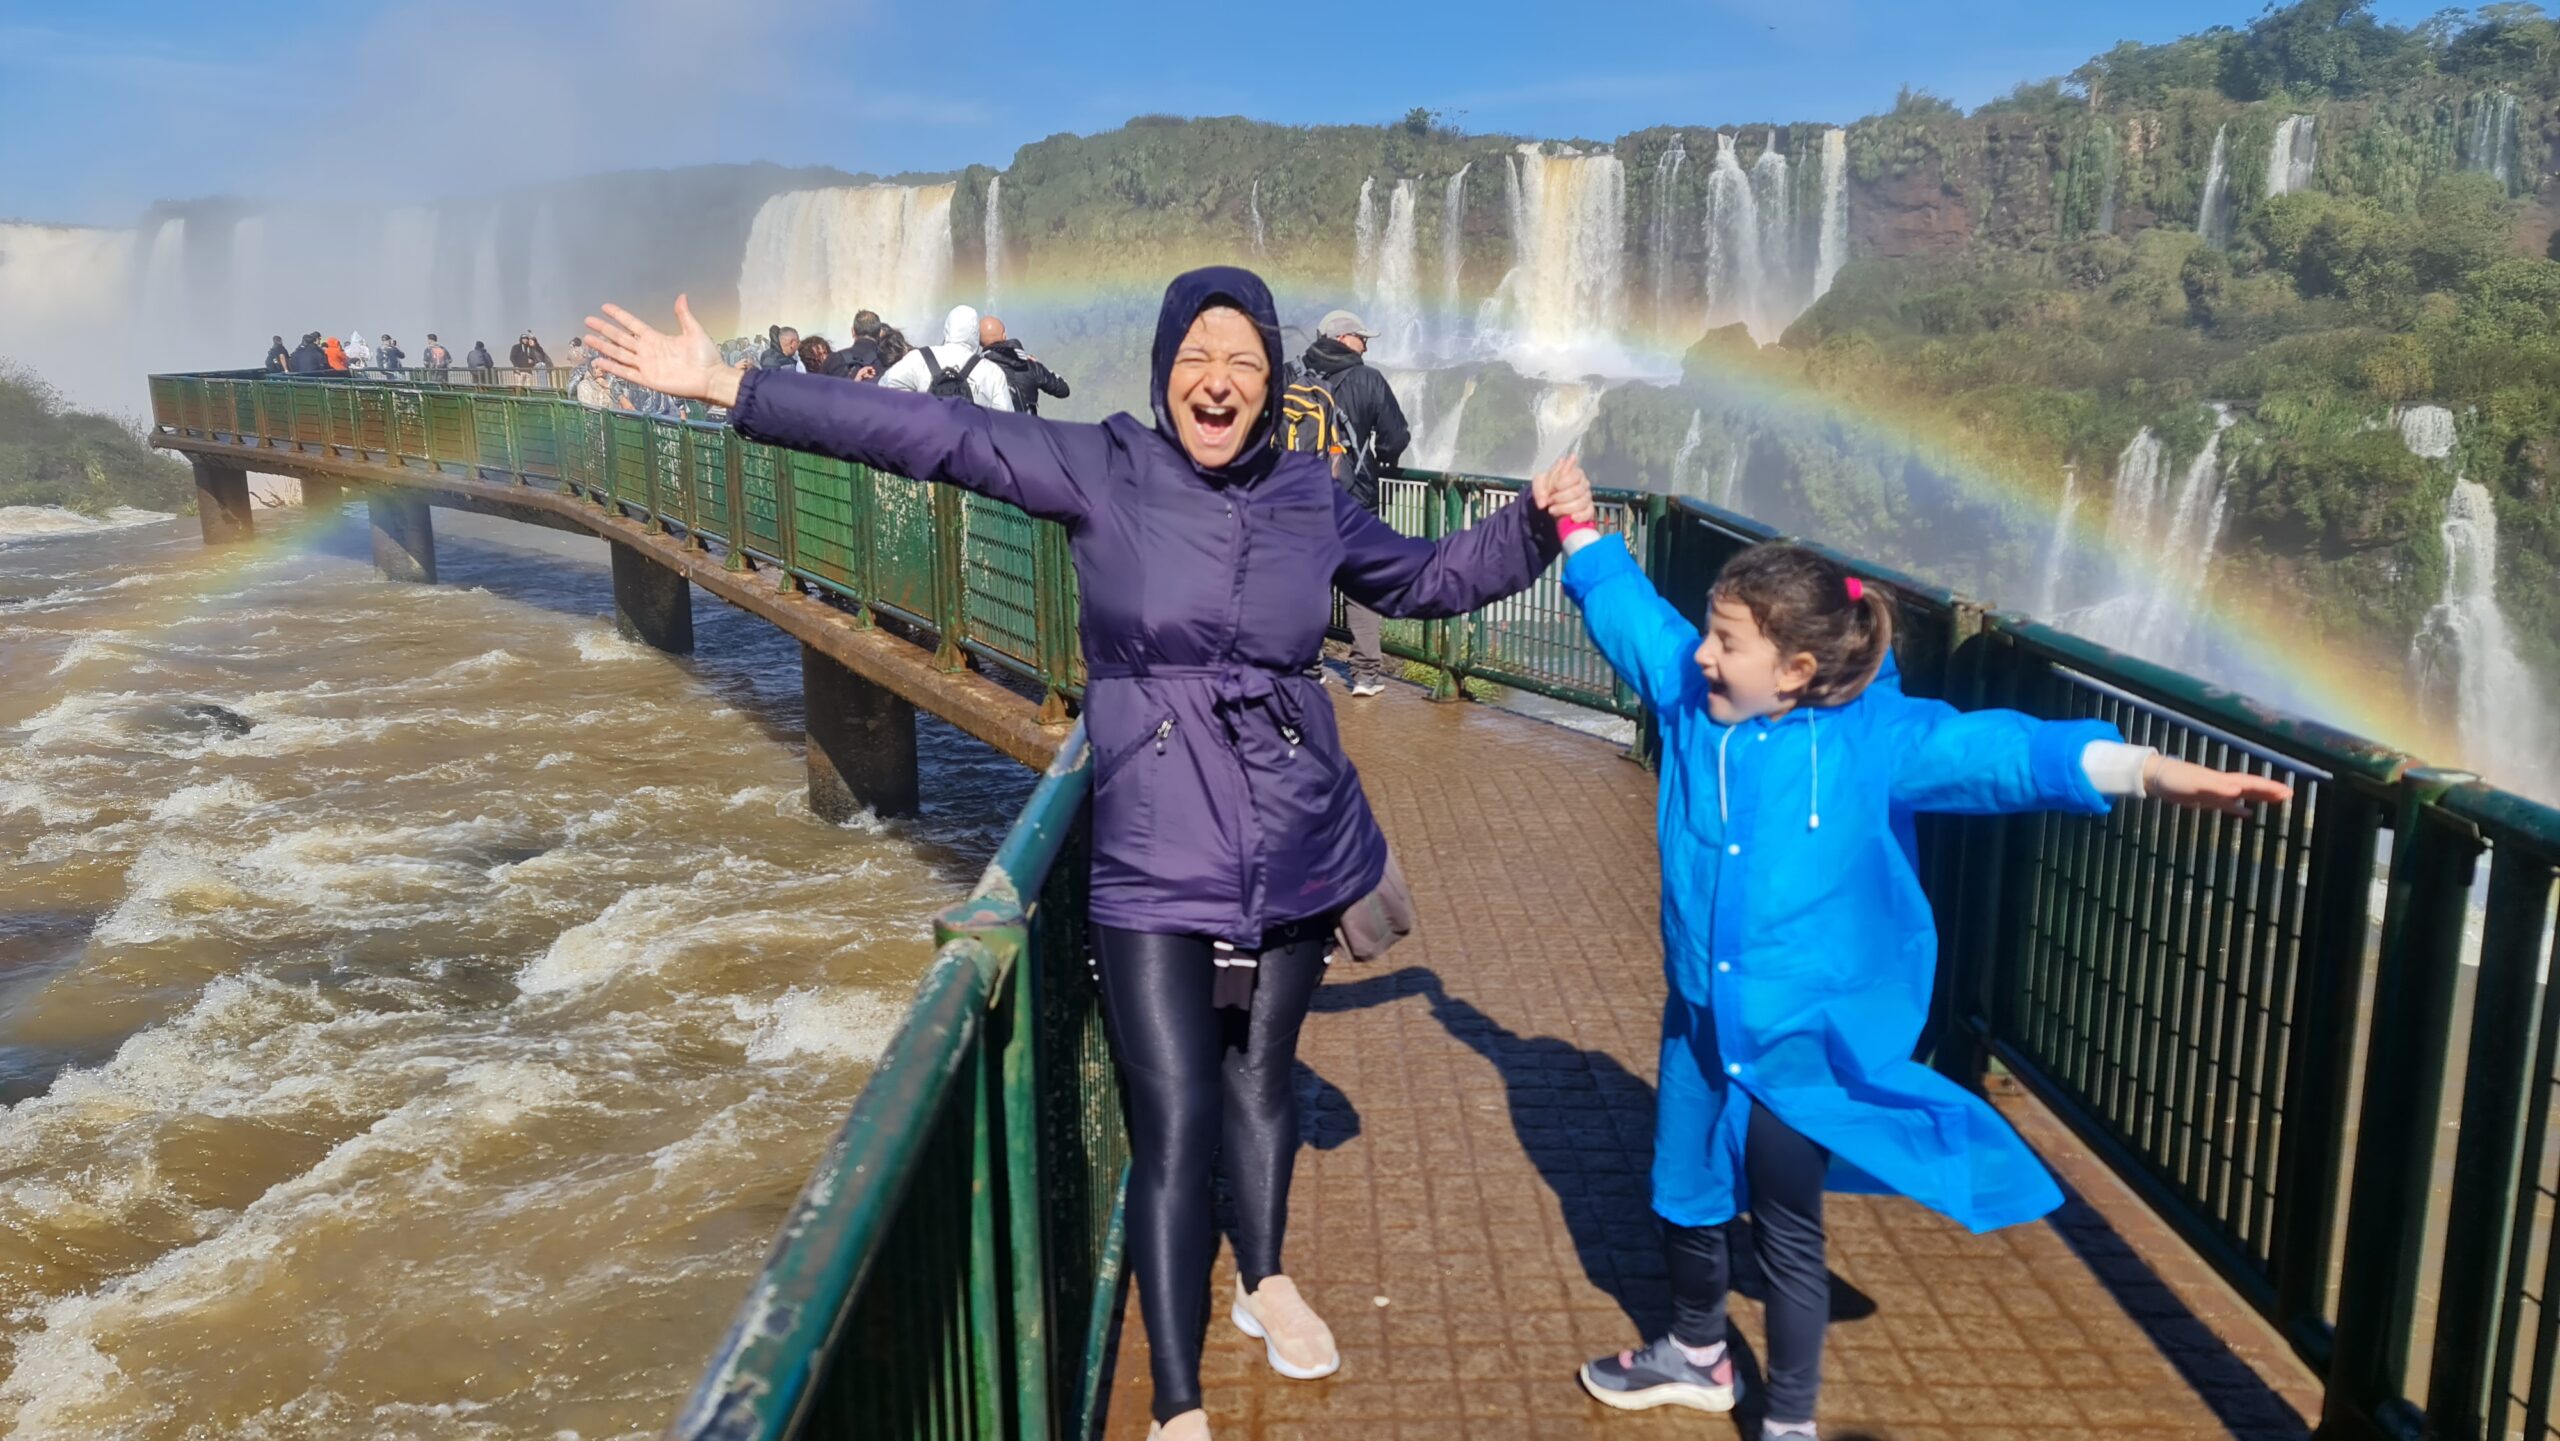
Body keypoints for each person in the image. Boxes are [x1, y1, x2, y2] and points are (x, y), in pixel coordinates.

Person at [585, 268, 1583, 1441]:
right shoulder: (1103, 464)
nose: (1219, 380)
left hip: (1292, 832)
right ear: (1166, 370)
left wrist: (1527, 524)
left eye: (1245, 362)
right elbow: (936, 433)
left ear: (1271, 384)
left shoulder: (1310, 496)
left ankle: (1263, 1282)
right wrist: (728, 385)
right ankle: (1176, 1399)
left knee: (1262, 1085)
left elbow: (1417, 582)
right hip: (1157, 839)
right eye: (1198, 356)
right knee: (1172, 1123)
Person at [1545, 471, 2291, 1439]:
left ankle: (1791, 1421)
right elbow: (1630, 615)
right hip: (1698, 1016)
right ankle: (1697, 1352)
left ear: (1800, 667)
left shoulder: (1879, 742)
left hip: (1802, 1042)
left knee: (1784, 1235)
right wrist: (1575, 528)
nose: (1703, 652)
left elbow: (2003, 753)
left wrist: (2145, 770)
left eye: (1728, 640)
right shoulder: (1693, 702)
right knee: (1681, 1188)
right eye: (1709, 630)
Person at [1298, 310, 1410, 698]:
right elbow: (1397, 435)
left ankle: (1309, 667)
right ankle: (1365, 675)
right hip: (1354, 498)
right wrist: (1379, 460)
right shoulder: (1368, 379)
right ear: (1344, 338)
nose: (1366, 345)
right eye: (1363, 338)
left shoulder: (1293, 373)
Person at [877, 304, 1013, 409]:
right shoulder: (992, 372)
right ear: (976, 335)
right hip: (971, 443)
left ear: (946, 330)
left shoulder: (918, 359)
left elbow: (884, 389)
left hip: (929, 442)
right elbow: (1004, 421)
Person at [977, 314, 1071, 415]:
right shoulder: (1029, 365)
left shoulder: (975, 370)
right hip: (1027, 428)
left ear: (979, 341)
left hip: (990, 428)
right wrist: (1038, 365)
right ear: (1004, 336)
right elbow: (1063, 389)